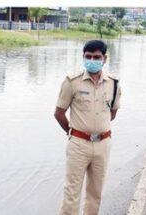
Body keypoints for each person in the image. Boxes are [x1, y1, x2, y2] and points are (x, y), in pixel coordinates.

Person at [54, 40, 121, 215]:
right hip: (78, 144)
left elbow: (112, 113)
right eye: (88, 56)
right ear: (83, 57)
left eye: (96, 57)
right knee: (71, 193)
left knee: (95, 193)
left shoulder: (114, 84)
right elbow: (59, 114)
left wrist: (98, 129)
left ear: (104, 59)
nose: (92, 60)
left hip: (103, 144)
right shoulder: (72, 82)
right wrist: (73, 132)